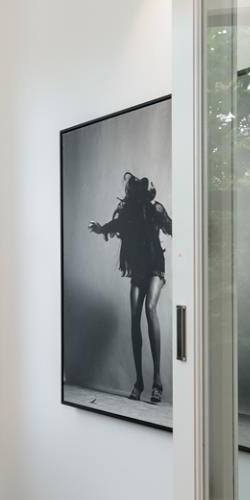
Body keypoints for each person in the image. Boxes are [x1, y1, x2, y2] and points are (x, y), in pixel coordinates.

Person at [89, 173, 173, 403]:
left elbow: (172, 227)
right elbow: (112, 225)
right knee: (135, 317)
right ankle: (139, 382)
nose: (152, 187)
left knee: (150, 309)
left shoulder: (156, 209)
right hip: (138, 270)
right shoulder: (128, 214)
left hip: (156, 266)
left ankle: (157, 381)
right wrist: (99, 229)